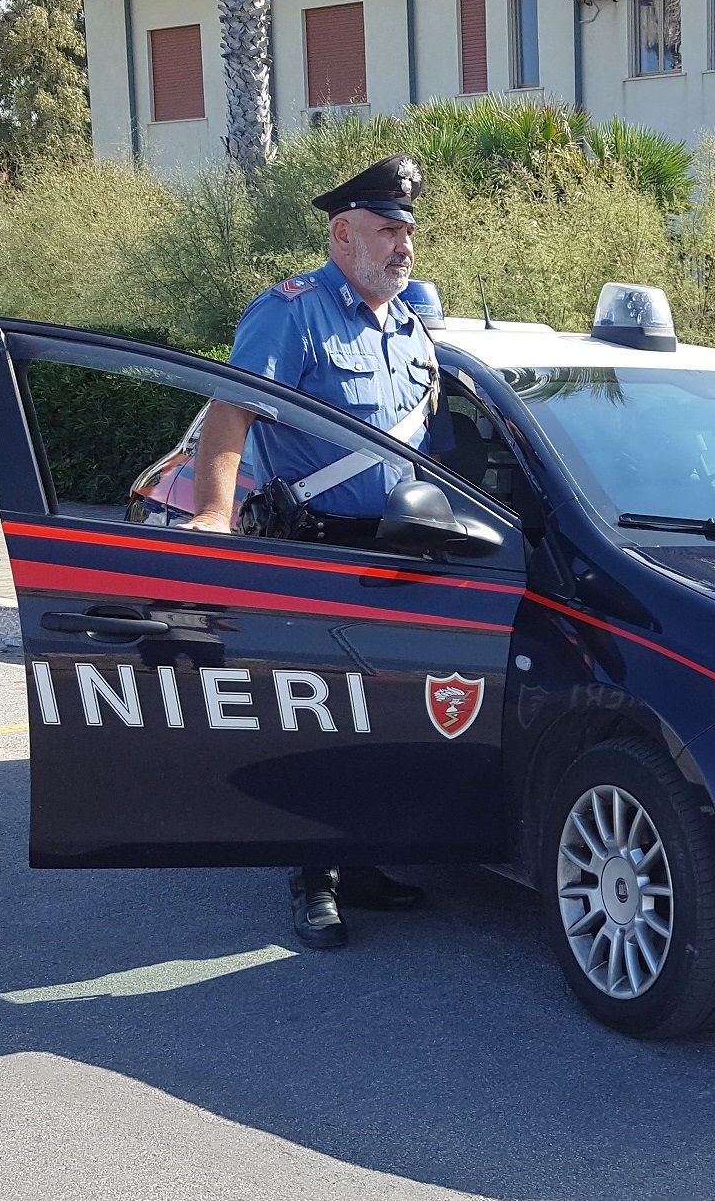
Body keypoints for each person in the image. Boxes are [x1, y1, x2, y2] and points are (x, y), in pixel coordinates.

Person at [184, 153, 437, 950]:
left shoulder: (407, 324)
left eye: (407, 234)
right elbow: (231, 417)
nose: (402, 248)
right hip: (314, 550)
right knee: (317, 719)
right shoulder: (292, 312)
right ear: (341, 234)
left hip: (397, 553)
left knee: (378, 718)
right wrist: (213, 519)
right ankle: (313, 878)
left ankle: (359, 859)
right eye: (386, 231)